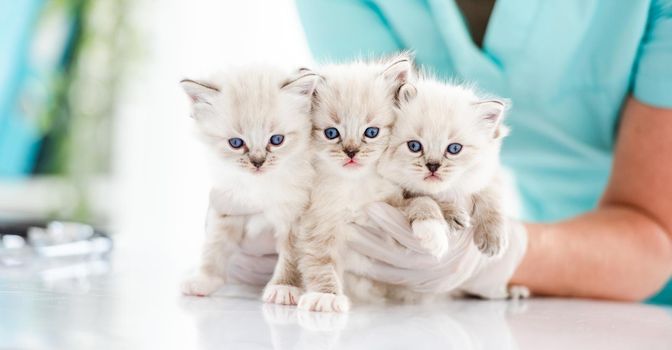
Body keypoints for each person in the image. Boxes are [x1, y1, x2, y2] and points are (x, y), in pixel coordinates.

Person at [231, 0, 672, 304]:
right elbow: (374, 151)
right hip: (551, 273)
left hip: (626, 253)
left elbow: (654, 235)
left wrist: (499, 257)